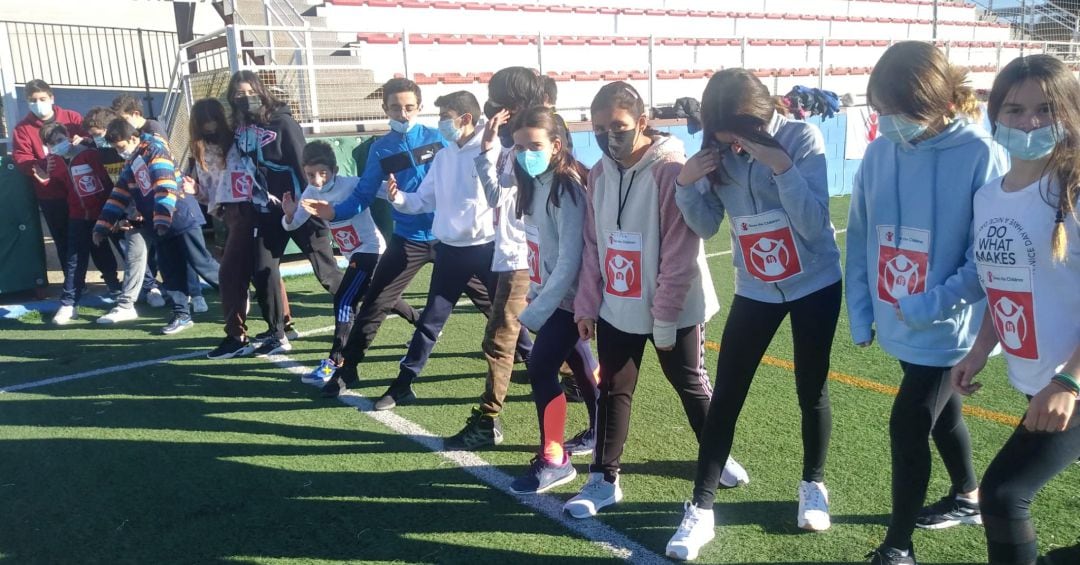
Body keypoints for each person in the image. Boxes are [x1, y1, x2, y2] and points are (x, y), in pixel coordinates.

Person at [664, 68, 843, 560]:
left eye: (739, 136)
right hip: (756, 288)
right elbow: (705, 225)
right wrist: (686, 184)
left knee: (811, 386)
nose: (731, 146)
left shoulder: (801, 138)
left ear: (763, 119)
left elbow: (812, 226)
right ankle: (700, 509)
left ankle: (813, 484)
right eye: (721, 136)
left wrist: (781, 168)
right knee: (727, 395)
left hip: (815, 283)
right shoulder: (718, 154)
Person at [845, 41, 1009, 565]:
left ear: (939, 101)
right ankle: (967, 495)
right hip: (898, 319)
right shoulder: (878, 151)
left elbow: (985, 257)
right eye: (881, 111)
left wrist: (931, 306)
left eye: (900, 110)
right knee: (943, 412)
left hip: (947, 326)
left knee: (909, 421)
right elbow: (860, 232)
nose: (890, 122)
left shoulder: (981, 154)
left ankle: (898, 547)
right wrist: (863, 309)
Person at [563, 81, 747, 520]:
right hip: (617, 306)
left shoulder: (670, 169)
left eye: (620, 126)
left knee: (690, 384)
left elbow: (680, 253)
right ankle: (603, 479)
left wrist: (664, 319)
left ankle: (716, 454)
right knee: (613, 390)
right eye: (601, 127)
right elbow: (593, 245)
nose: (611, 135)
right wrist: (587, 303)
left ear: (642, 123)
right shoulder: (600, 174)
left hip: (676, 307)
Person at [951, 54, 1080, 565]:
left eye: (1046, 110)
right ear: (995, 116)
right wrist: (980, 348)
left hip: (1068, 384)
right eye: (1014, 109)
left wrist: (1068, 381)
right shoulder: (988, 197)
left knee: (1004, 495)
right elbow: (1003, 284)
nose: (1028, 122)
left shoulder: (1072, 194)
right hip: (1038, 380)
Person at [301, 78, 505, 398]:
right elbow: (364, 194)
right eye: (395, 107)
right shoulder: (380, 148)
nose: (403, 113)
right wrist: (335, 213)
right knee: (374, 303)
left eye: (409, 107)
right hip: (408, 239)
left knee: (493, 302)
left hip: (449, 241)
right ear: (385, 109)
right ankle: (348, 369)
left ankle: (527, 353)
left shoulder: (441, 139)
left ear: (419, 108)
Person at [371, 90, 503, 409]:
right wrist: (397, 197)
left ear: (465, 118)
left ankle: (545, 368)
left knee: (505, 318)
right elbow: (423, 200)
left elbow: (500, 198)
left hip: (487, 251)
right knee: (431, 320)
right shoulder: (443, 156)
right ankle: (403, 384)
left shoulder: (492, 150)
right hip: (450, 252)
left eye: (445, 116)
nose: (440, 122)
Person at [442, 67, 549, 450]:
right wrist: (488, 150)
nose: (493, 109)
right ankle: (579, 385)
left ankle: (488, 421)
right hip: (514, 254)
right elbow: (496, 196)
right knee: (549, 335)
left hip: (526, 256)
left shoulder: (537, 146)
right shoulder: (509, 147)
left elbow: (535, 201)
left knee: (501, 338)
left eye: (500, 101)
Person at [500, 105, 594, 494]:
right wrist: (537, 292)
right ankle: (603, 431)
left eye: (533, 145)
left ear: (556, 145)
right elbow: (544, 250)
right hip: (550, 294)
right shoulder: (534, 182)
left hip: (569, 300)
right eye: (519, 147)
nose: (525, 154)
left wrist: (535, 310)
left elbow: (571, 260)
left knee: (540, 369)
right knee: (582, 364)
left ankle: (555, 459)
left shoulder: (566, 188)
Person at [228, 70, 342, 356]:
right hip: (267, 212)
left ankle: (385, 309)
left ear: (261, 92)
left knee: (327, 273)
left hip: (300, 208)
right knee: (263, 270)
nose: (245, 99)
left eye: (249, 93)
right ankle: (277, 333)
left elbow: (306, 165)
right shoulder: (240, 129)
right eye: (238, 95)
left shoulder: (283, 123)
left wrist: (311, 206)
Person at [92, 119, 213, 335]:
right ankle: (181, 315)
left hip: (181, 217)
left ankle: (238, 294)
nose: (120, 152)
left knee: (201, 262)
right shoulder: (132, 162)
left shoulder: (155, 150)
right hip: (159, 224)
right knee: (169, 270)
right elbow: (119, 193)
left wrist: (162, 219)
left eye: (120, 147)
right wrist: (103, 225)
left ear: (133, 138)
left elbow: (165, 186)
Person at [282, 141, 387, 383]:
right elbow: (294, 222)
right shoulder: (309, 193)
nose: (317, 180)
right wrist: (288, 215)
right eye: (310, 174)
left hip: (371, 250)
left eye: (322, 173)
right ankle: (420, 320)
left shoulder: (351, 184)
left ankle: (336, 359)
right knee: (380, 297)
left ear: (334, 169)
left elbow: (382, 190)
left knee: (344, 298)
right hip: (353, 254)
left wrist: (401, 192)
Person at [83, 105, 166, 311]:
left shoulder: (146, 149)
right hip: (125, 212)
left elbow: (158, 182)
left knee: (172, 254)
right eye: (94, 137)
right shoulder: (103, 152)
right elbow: (118, 189)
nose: (100, 140)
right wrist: (106, 222)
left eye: (101, 135)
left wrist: (144, 209)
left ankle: (188, 292)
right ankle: (136, 297)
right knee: (132, 253)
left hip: (152, 209)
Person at [38, 123, 120, 324]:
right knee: (74, 258)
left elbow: (106, 180)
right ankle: (68, 303)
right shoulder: (53, 163)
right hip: (77, 215)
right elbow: (60, 188)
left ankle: (115, 285)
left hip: (101, 211)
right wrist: (45, 179)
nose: (58, 145)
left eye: (60, 139)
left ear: (68, 136)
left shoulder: (89, 154)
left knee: (104, 250)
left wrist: (112, 209)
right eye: (52, 143)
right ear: (47, 146)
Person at [12, 79, 87, 273]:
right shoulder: (22, 129)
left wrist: (83, 141)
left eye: (42, 98)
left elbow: (90, 140)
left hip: (82, 188)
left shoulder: (72, 117)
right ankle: (73, 281)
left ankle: (110, 278)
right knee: (62, 238)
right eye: (32, 100)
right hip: (51, 194)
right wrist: (41, 167)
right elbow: (22, 158)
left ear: (51, 97)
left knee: (90, 234)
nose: (38, 103)